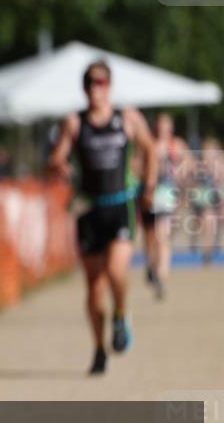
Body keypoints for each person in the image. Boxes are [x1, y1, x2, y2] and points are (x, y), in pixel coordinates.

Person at [48, 60, 156, 375]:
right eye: (90, 83)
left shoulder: (128, 118)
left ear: (110, 86)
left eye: (101, 83)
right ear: (84, 88)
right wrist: (58, 165)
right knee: (94, 286)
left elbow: (150, 149)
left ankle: (121, 314)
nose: (96, 89)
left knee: (115, 270)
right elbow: (56, 157)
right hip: (89, 209)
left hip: (120, 206)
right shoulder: (74, 122)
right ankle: (98, 349)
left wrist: (149, 186)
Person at [137, 113, 191, 299]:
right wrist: (148, 173)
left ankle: (161, 276)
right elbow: (136, 165)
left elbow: (190, 165)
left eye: (166, 125)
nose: (163, 129)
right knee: (150, 236)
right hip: (149, 194)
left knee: (163, 235)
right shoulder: (149, 144)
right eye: (161, 125)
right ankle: (150, 266)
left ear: (171, 127)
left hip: (168, 195)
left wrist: (181, 174)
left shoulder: (178, 145)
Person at [188, 137, 223, 264]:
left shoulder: (219, 165)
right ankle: (203, 247)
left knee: (212, 222)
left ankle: (208, 251)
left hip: (214, 198)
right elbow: (191, 181)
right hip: (201, 199)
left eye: (213, 153)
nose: (210, 155)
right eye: (208, 152)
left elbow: (220, 182)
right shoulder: (198, 165)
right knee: (206, 222)